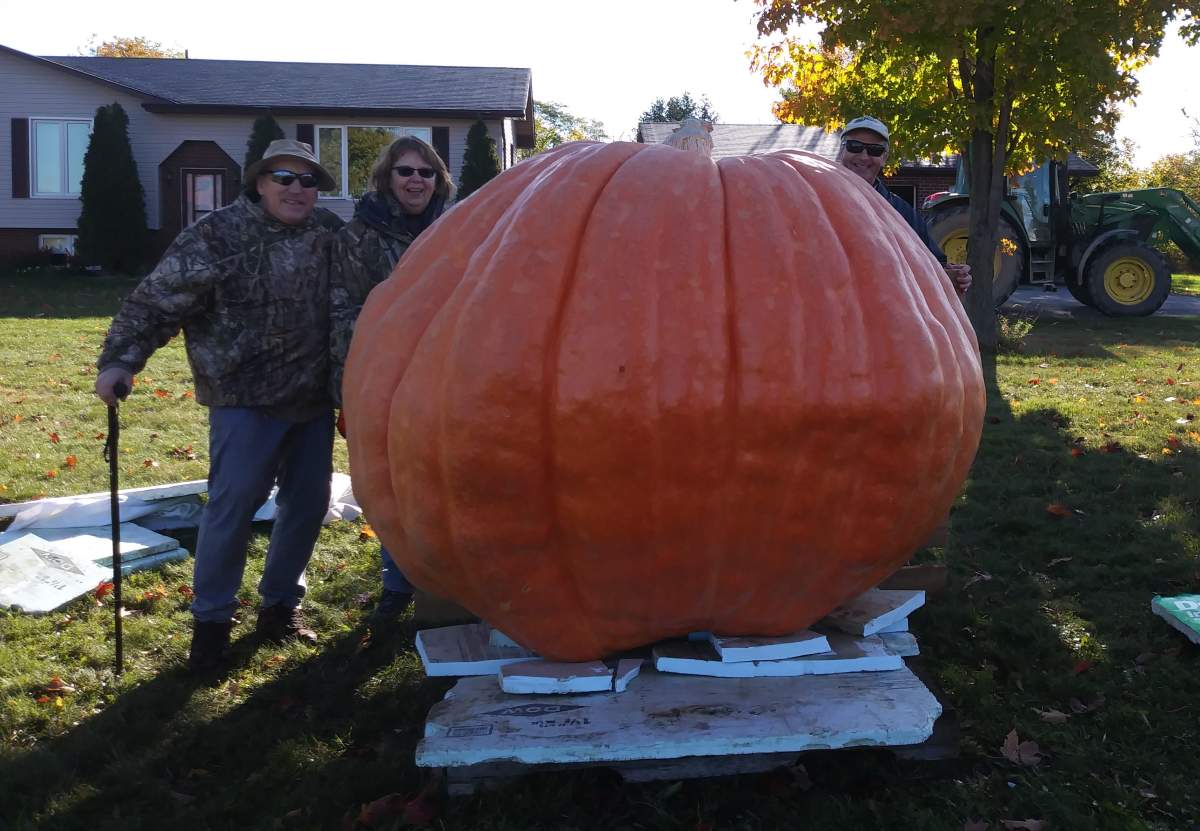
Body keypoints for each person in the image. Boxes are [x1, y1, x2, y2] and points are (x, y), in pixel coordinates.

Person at [95, 139, 344, 672]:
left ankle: (279, 606)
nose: (298, 189)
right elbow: (155, 302)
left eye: (309, 181)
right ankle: (211, 624)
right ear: (258, 182)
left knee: (306, 505)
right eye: (285, 178)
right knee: (232, 509)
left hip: (312, 399)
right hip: (243, 399)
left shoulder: (329, 234)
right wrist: (121, 361)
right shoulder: (216, 236)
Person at [329, 135, 455, 623]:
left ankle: (449, 591)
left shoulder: (460, 229)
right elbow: (342, 309)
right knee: (389, 482)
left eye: (425, 173)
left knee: (442, 480)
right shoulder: (359, 237)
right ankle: (397, 587)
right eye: (405, 172)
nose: (416, 181)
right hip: (383, 377)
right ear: (388, 178)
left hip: (447, 376)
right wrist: (357, 377)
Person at [837, 116, 972, 295]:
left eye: (874, 150)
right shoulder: (814, 197)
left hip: (877, 313)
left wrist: (956, 277)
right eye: (855, 147)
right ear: (842, 150)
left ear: (884, 158)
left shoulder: (900, 212)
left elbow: (933, 264)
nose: (864, 156)